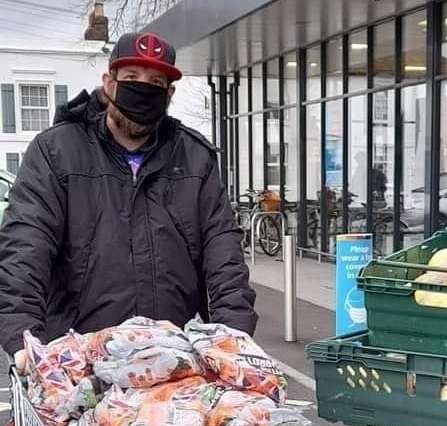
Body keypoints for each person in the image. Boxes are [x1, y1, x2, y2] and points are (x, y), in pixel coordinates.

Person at [0, 33, 257, 370]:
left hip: (170, 362)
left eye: (156, 81)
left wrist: (233, 337)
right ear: (109, 83)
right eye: (132, 78)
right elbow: (26, 245)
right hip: (77, 360)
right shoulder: (57, 152)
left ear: (169, 93)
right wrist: (22, 338)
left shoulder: (195, 158)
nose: (143, 88)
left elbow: (223, 251)